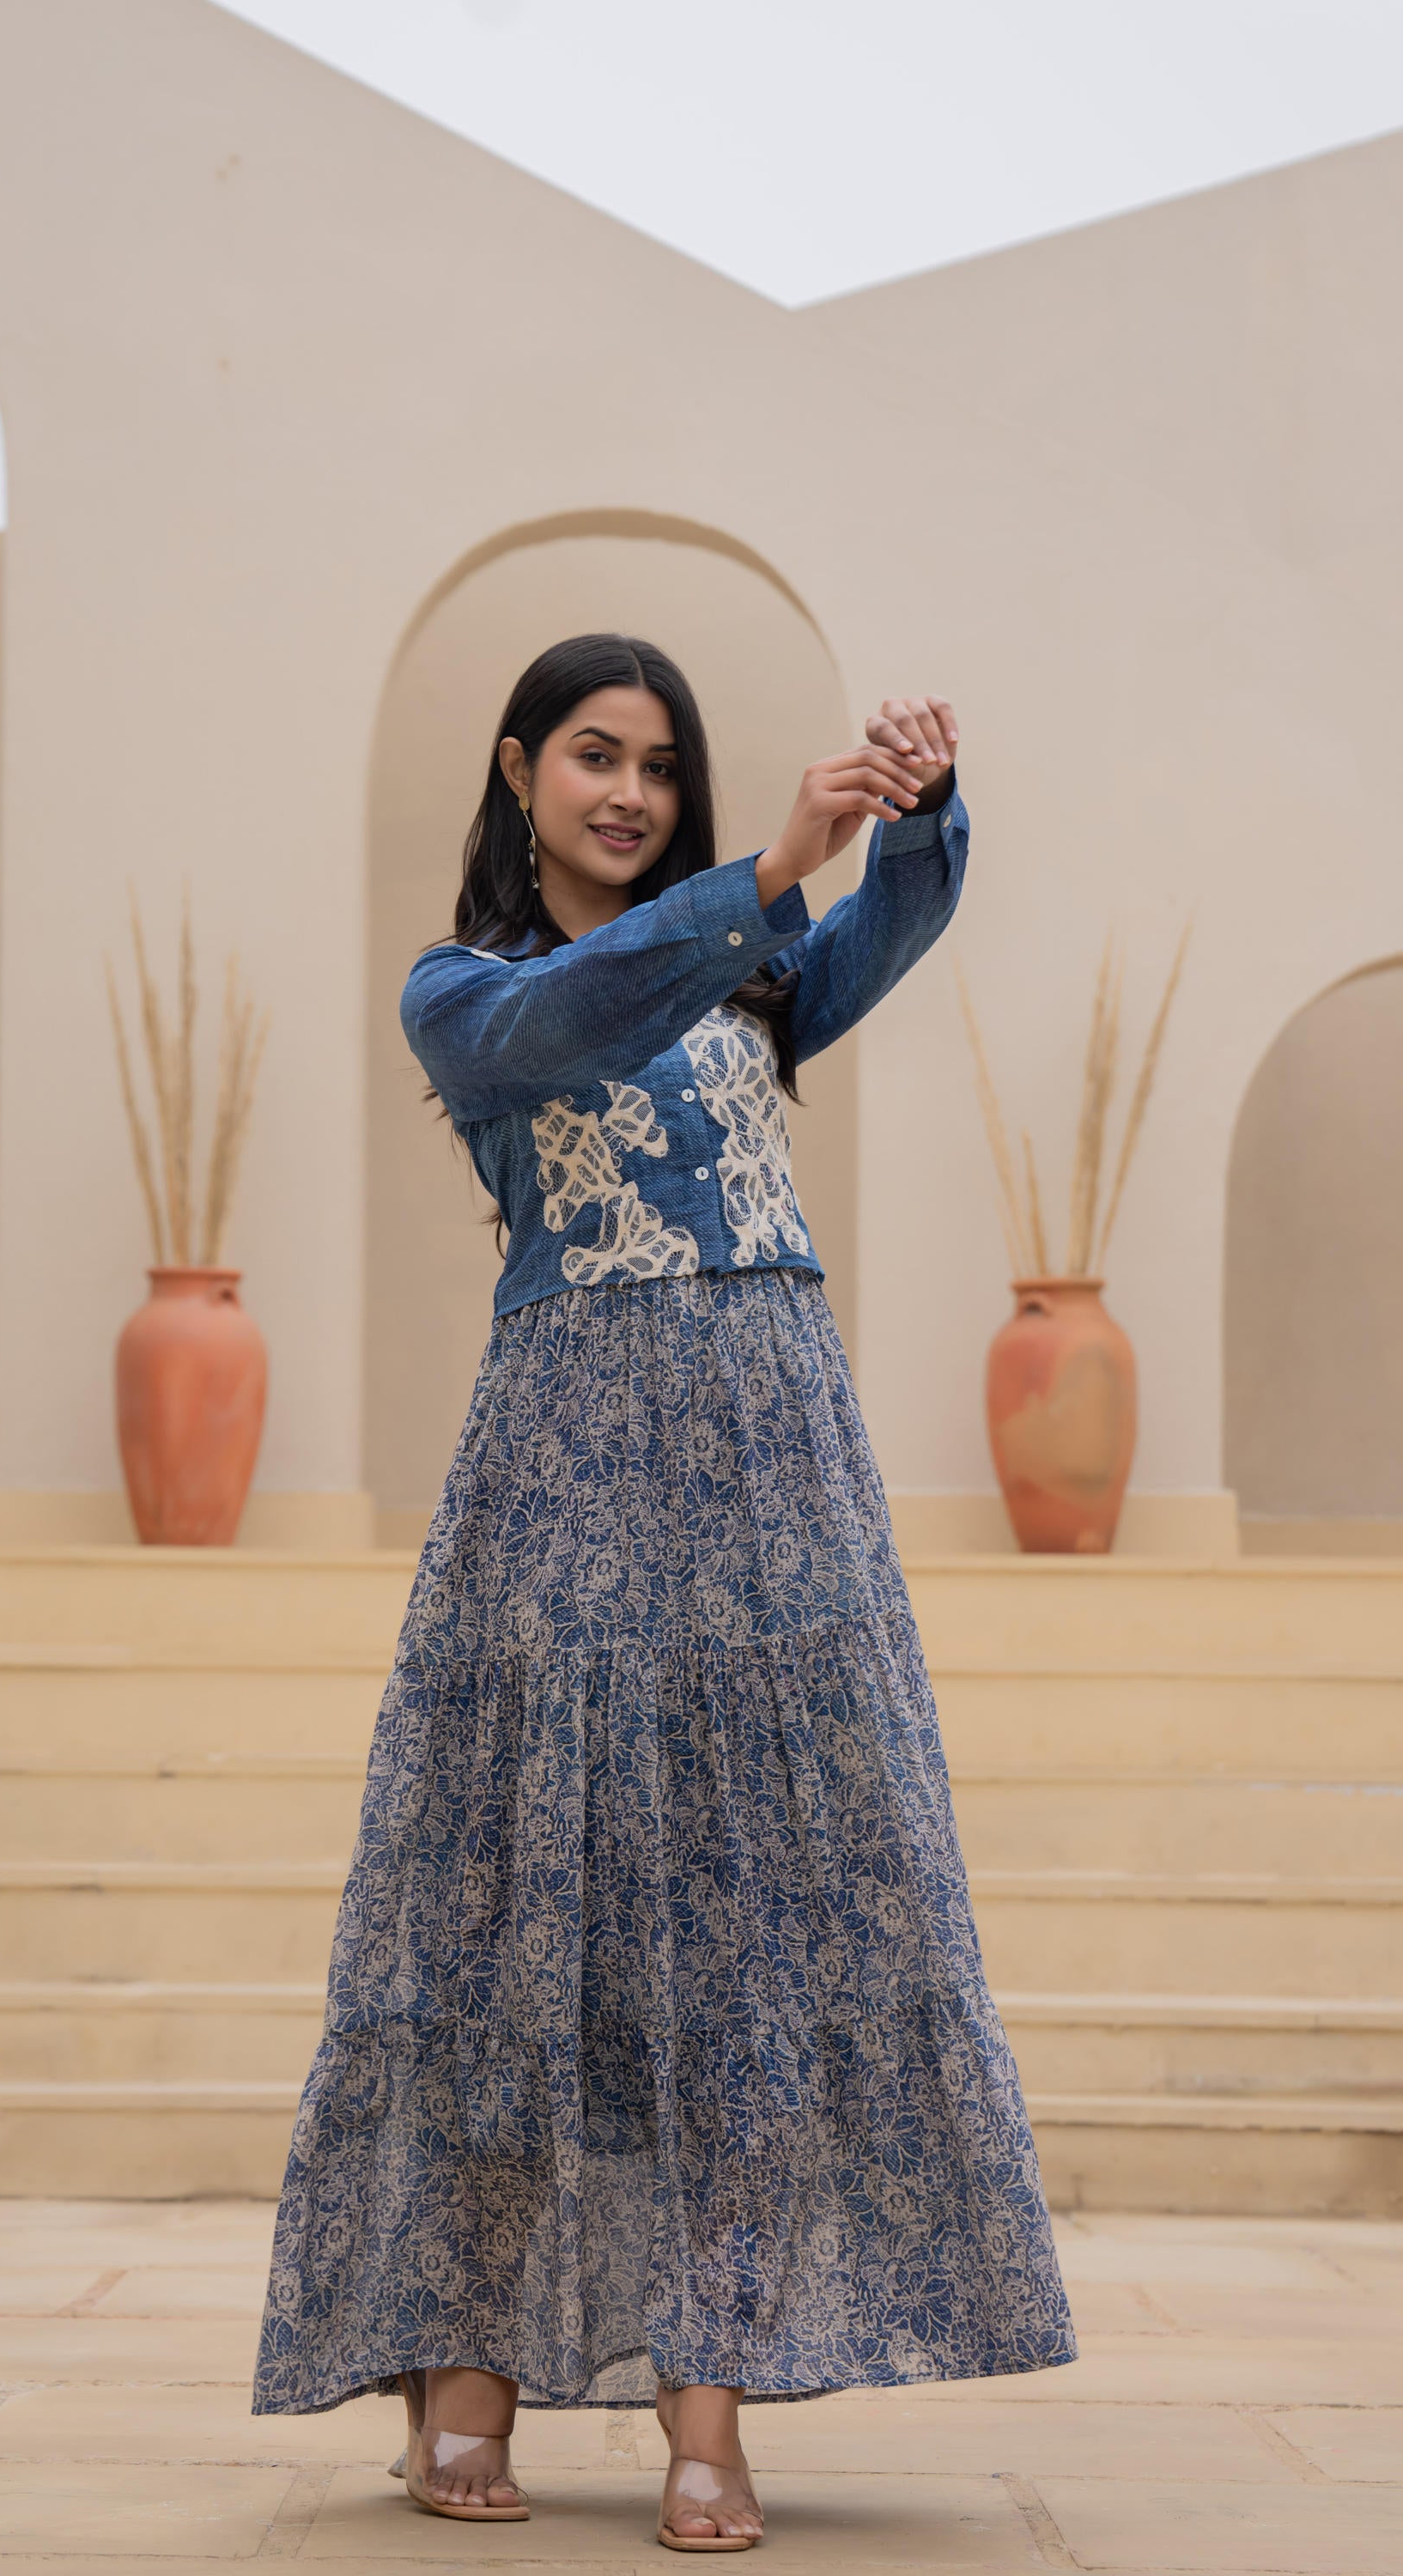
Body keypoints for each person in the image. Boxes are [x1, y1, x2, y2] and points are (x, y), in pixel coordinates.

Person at [252, 634, 1076, 2552]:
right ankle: (468, 2370)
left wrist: (916, 808)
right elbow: (581, 1017)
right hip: (568, 1473)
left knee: (751, 1913)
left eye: (657, 765)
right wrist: (765, 867)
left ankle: (712, 2401)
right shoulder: (466, 993)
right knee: (524, 1901)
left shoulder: (759, 969)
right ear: (520, 770)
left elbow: (889, 923)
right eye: (593, 757)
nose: (628, 792)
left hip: (775, 1471)